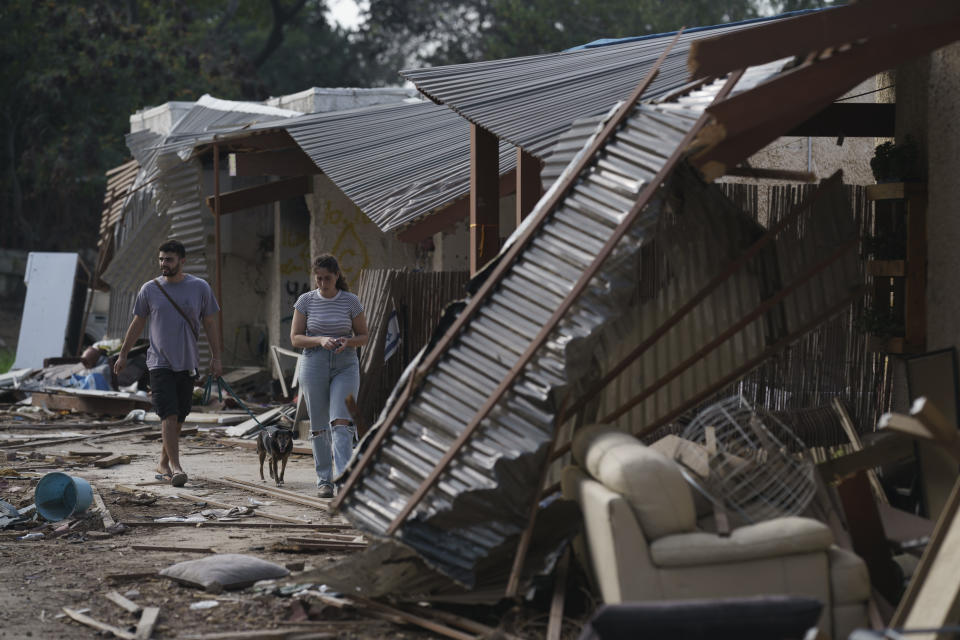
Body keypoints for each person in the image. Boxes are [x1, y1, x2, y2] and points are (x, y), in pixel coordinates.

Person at [114, 240, 222, 487]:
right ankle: (176, 466)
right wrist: (123, 354)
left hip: (187, 362)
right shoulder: (149, 289)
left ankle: (163, 463)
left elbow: (210, 324)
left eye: (169, 259)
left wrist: (217, 358)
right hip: (158, 363)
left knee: (181, 414)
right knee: (168, 413)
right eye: (161, 259)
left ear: (182, 261)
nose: (164, 264)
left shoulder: (200, 288)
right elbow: (137, 323)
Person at [291, 254, 369, 498]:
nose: (323, 283)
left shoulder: (350, 301)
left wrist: (349, 341)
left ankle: (344, 479)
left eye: (327, 278)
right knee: (319, 424)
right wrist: (320, 340)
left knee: (341, 421)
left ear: (337, 276)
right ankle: (325, 480)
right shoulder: (305, 301)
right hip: (314, 362)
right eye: (319, 278)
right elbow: (295, 338)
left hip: (345, 364)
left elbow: (364, 336)